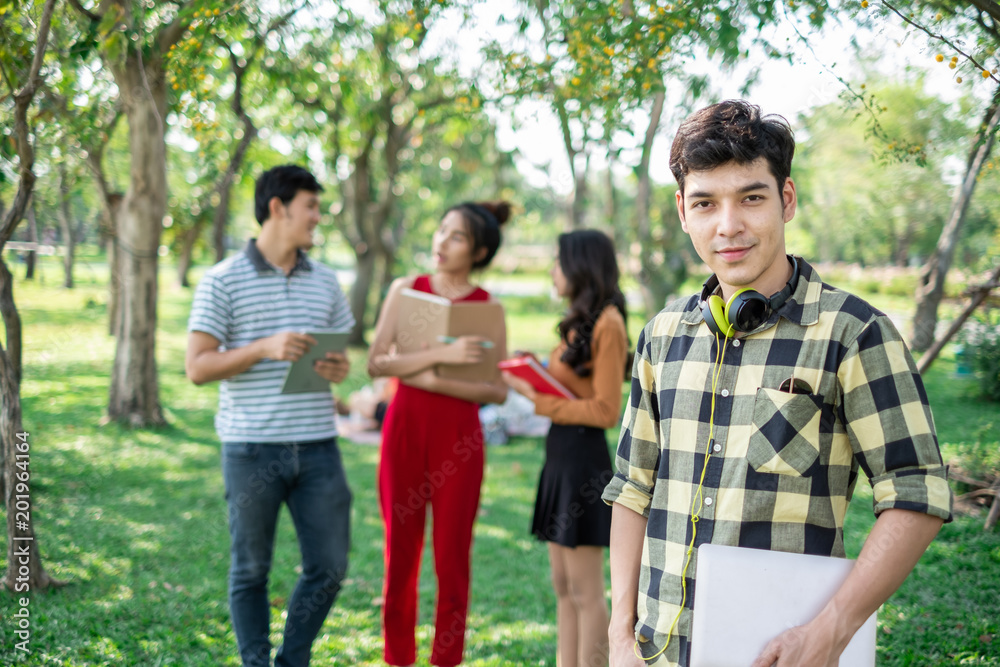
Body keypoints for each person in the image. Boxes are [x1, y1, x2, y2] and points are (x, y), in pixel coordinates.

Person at [602, 100, 953, 667]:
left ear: (786, 199)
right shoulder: (662, 336)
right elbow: (631, 488)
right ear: (683, 212)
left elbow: (916, 493)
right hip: (654, 652)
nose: (728, 225)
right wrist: (621, 632)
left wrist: (830, 633)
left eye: (751, 198)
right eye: (706, 203)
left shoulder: (854, 333)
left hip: (781, 654)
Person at [185, 165, 355, 667]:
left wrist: (336, 366)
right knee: (251, 569)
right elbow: (197, 367)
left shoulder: (326, 281)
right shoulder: (221, 280)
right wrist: (263, 348)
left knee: (329, 566)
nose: (318, 219)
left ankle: (292, 661)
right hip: (250, 448)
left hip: (320, 447)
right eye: (312, 207)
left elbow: (341, 360)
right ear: (278, 208)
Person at [367, 201, 512, 667]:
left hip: (459, 439)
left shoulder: (487, 309)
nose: (441, 242)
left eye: (456, 237)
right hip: (404, 430)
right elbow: (377, 362)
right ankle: (397, 659)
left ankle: (445, 660)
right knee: (400, 551)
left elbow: (497, 391)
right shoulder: (407, 290)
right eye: (441, 231)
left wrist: (430, 377)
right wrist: (439, 356)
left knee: (452, 559)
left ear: (479, 250)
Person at [503, 229, 629, 667]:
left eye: (558, 262)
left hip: (583, 461)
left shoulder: (609, 323)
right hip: (559, 455)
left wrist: (536, 397)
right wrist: (537, 369)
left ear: (579, 266)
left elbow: (606, 409)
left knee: (586, 590)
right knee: (562, 585)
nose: (552, 272)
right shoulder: (578, 322)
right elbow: (574, 387)